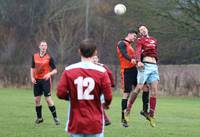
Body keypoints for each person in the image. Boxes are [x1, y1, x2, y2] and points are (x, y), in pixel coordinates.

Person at [56, 38, 112, 137]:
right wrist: (106, 104)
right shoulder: (102, 72)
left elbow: (60, 93)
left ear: (79, 52)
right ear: (95, 52)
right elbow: (108, 96)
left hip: (76, 123)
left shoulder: (69, 70)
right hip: (95, 123)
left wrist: (72, 97)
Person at [125, 25, 159, 127]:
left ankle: (151, 115)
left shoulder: (154, 40)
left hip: (154, 67)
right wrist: (139, 61)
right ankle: (128, 110)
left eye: (144, 28)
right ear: (140, 33)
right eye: (140, 30)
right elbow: (138, 51)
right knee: (139, 87)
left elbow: (154, 52)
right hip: (145, 66)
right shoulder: (140, 41)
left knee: (154, 91)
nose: (142, 30)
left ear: (147, 29)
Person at [30, 40, 60, 125]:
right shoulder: (34, 56)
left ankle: (55, 118)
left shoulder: (49, 58)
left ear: (46, 47)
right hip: (37, 80)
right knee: (36, 100)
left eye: (45, 46)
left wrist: (49, 74)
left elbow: (55, 70)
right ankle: (39, 118)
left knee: (48, 99)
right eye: (42, 45)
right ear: (39, 47)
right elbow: (32, 68)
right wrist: (32, 77)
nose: (44, 47)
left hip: (45, 80)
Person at [92, 55, 115, 126]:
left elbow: (110, 74)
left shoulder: (101, 66)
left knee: (96, 105)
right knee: (97, 105)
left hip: (101, 88)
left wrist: (112, 84)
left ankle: (105, 119)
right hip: (94, 88)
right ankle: (104, 118)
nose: (94, 60)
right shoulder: (90, 67)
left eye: (95, 58)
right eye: (93, 58)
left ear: (98, 59)